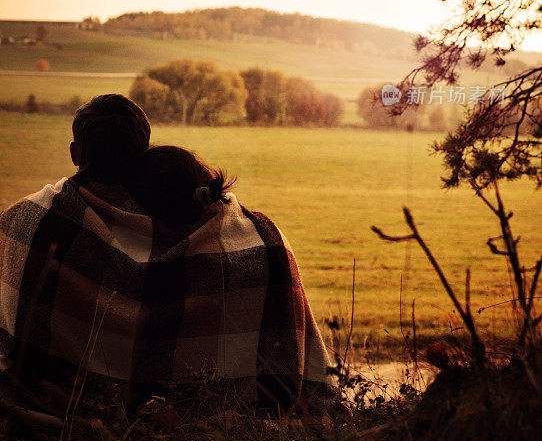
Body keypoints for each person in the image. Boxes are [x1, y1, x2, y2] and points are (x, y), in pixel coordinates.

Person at [0, 94, 338, 417]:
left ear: (76, 153)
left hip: (45, 415)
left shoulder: (24, 219)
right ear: (142, 153)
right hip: (231, 421)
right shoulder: (258, 238)